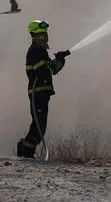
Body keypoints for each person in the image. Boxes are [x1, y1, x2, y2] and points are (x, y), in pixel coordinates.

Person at [16, 19, 70, 158]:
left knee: (40, 124)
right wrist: (57, 61)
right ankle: (26, 151)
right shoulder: (35, 50)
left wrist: (60, 60)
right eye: (43, 33)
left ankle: (26, 150)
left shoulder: (40, 50)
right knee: (39, 125)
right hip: (37, 91)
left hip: (42, 92)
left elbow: (50, 70)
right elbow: (45, 70)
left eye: (46, 32)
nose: (46, 35)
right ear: (36, 35)